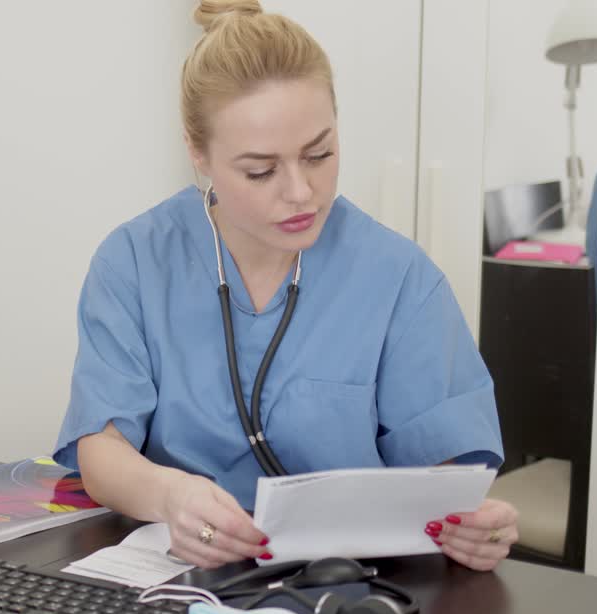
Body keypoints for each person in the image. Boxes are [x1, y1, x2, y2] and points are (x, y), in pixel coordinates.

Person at [53, 0, 518, 572]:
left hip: (350, 594)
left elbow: (443, 471)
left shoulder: (398, 278)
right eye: (261, 170)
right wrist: (172, 496)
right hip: (175, 582)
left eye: (319, 154)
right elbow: (101, 450)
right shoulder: (134, 262)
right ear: (198, 154)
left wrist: (470, 525)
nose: (301, 192)